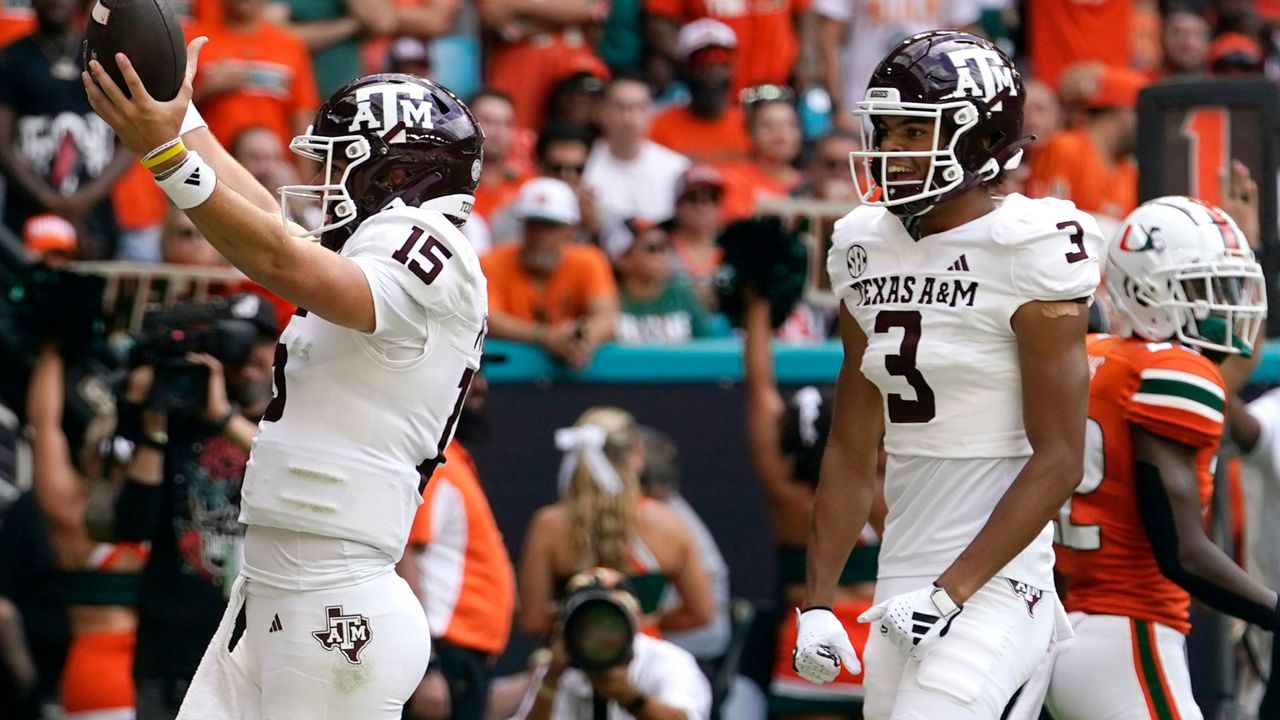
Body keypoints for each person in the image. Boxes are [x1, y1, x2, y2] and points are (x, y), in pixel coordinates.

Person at [84, 36, 489, 719]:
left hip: (334, 604)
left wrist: (166, 158)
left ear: (395, 175)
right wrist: (178, 123)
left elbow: (282, 259)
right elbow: (272, 224)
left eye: (342, 166)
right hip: (275, 591)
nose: (325, 186)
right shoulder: (371, 246)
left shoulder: (434, 248)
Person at [791, 31, 1103, 720]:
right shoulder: (862, 246)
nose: (894, 150)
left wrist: (951, 591)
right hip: (902, 571)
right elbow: (849, 448)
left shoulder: (1030, 248)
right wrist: (817, 602)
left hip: (996, 582)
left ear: (980, 138)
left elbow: (1059, 458)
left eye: (915, 131)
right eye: (889, 130)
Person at [1044, 196, 1278, 720]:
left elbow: (1217, 384)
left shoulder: (1101, 356)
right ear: (1149, 292)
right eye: (1203, 288)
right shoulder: (1170, 374)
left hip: (1077, 628)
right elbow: (1184, 553)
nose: (1224, 303)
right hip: (1130, 631)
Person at [113, 294, 277, 720]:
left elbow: (291, 472)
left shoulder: (290, 426)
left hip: (258, 657)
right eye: (234, 343)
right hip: (171, 655)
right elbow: (133, 524)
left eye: (258, 341)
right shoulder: (179, 422)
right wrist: (153, 425)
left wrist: (222, 415)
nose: (247, 355)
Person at [743, 290, 880, 720]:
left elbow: (760, 388)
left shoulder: (787, 497)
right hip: (880, 641)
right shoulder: (886, 484)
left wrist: (758, 302)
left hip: (813, 639)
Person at [26, 345, 152, 720]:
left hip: (97, 678)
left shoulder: (73, 516)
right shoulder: (165, 513)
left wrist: (53, 346)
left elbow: (44, 427)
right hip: (153, 679)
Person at [517, 406, 714, 638]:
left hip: (573, 663)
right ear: (637, 455)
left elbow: (533, 620)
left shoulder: (549, 525)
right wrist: (644, 622)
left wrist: (582, 623)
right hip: (643, 664)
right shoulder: (668, 522)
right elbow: (701, 612)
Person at [398, 372, 515, 720]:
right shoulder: (432, 459)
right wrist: (427, 665)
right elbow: (401, 557)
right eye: (468, 374)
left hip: (460, 660)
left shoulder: (454, 457)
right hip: (439, 658)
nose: (481, 385)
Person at [513, 567, 712, 720]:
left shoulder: (670, 662)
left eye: (610, 622)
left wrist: (630, 697)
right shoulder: (561, 666)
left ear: (635, 622)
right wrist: (550, 681)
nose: (601, 634)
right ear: (566, 627)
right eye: (589, 623)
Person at [481, 177, 619, 368]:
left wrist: (580, 339)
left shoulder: (588, 260)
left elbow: (607, 318)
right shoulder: (492, 261)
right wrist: (545, 336)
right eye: (534, 224)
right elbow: (487, 319)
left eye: (550, 227)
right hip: (509, 378)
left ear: (571, 230)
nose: (540, 235)